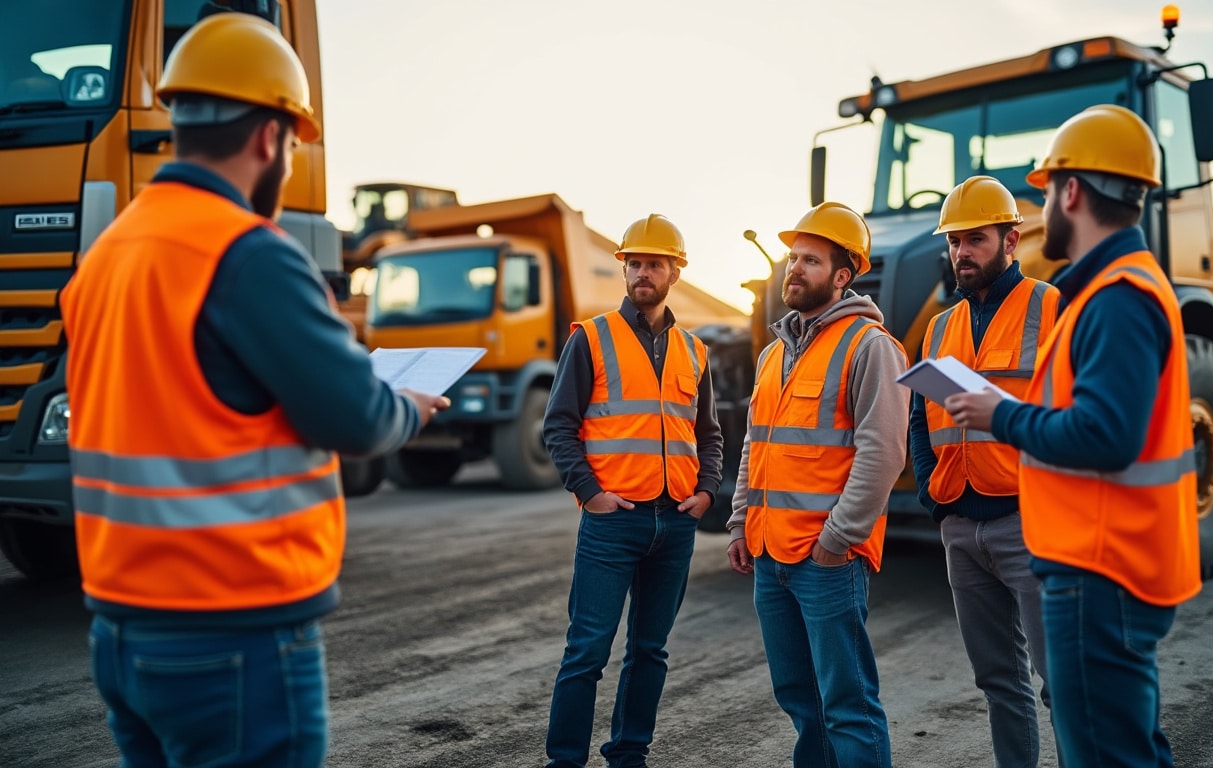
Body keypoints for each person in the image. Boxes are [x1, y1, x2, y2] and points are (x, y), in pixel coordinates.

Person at [60, 13, 447, 767]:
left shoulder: (109, 253)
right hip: (232, 631)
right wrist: (410, 407)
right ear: (272, 137)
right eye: (296, 143)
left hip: (119, 630)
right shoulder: (246, 254)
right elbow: (360, 419)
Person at [945, 105, 1202, 768]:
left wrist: (1000, 416)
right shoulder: (1108, 290)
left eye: (1045, 191)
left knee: (1106, 753)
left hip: (1101, 570)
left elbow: (1105, 434)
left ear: (1074, 192)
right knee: (1125, 746)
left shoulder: (1115, 297)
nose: (1042, 211)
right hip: (1102, 563)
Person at [726, 202, 910, 768]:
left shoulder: (869, 345)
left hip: (825, 559)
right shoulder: (773, 354)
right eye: (792, 258)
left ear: (842, 275)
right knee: (801, 703)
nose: (794, 269)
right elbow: (755, 446)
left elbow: (884, 453)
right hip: (768, 553)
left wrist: (838, 539)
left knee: (847, 706)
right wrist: (739, 522)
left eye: (810, 259)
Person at [541, 213, 724, 768]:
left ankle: (629, 755)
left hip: (674, 524)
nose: (643, 273)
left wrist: (708, 490)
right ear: (625, 268)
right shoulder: (591, 337)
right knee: (587, 652)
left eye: (655, 264)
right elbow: (558, 426)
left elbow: (709, 432)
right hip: (613, 521)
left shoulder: (695, 351)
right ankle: (564, 761)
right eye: (635, 263)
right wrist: (591, 495)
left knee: (650, 651)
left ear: (676, 272)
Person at [910, 176, 1060, 768]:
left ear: (1011, 240)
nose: (962, 252)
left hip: (1032, 525)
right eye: (954, 242)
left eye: (975, 239)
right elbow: (923, 420)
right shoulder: (940, 328)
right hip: (961, 530)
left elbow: (1075, 411)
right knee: (998, 681)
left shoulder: (1051, 307)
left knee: (1062, 684)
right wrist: (931, 494)